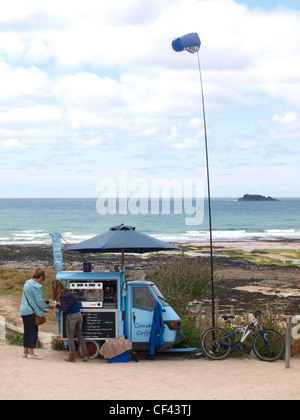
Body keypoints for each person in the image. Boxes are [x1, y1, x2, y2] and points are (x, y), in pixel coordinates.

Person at [52, 280, 89, 363]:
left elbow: (65, 308)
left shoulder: (61, 295)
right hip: (79, 315)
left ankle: (72, 356)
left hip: (71, 316)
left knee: (70, 337)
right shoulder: (68, 291)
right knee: (80, 335)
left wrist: (57, 305)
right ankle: (85, 355)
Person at [20, 268, 50, 360]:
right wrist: (46, 306)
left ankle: (25, 352)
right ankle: (31, 353)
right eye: (42, 279)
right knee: (33, 331)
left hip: (23, 310)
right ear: (40, 277)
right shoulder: (36, 287)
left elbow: (30, 297)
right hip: (31, 312)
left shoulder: (27, 284)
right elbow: (39, 302)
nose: (42, 282)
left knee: (27, 331)